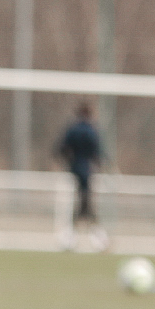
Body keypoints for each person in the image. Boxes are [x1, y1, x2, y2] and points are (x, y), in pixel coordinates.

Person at [55, 102, 107, 251]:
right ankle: (96, 239)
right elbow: (97, 152)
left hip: (74, 170)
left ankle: (71, 238)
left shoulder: (72, 130)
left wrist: (67, 162)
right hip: (87, 172)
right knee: (86, 205)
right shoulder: (91, 130)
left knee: (80, 205)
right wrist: (99, 165)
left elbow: (61, 149)